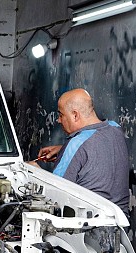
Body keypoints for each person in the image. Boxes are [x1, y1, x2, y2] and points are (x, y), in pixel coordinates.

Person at [35, 88, 130, 216]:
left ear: (75, 115)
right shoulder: (115, 129)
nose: (58, 120)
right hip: (120, 224)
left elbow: (54, 194)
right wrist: (63, 148)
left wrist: (35, 171)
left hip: (87, 228)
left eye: (61, 115)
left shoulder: (75, 145)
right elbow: (97, 144)